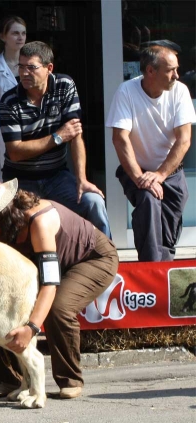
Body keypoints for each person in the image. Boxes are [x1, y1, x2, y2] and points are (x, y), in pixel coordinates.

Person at [0, 175, 118, 400]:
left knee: (59, 307)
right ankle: (5, 379)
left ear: (1, 212)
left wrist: (31, 328)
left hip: (92, 259)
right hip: (56, 261)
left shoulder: (39, 223)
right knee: (0, 302)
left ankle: (69, 378)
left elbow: (50, 283)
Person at [0, 41, 111, 239]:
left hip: (57, 176)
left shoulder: (64, 86)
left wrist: (82, 179)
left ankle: (107, 260)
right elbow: (15, 152)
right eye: (21, 66)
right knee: (19, 227)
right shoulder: (9, 101)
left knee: (93, 202)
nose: (24, 73)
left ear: (49, 68)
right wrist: (57, 137)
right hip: (20, 179)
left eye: (31, 67)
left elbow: (75, 134)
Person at [106, 45, 195, 262]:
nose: (177, 75)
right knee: (148, 203)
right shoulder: (126, 91)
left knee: (168, 231)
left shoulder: (180, 91)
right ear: (150, 71)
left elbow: (184, 139)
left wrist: (161, 175)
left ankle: (163, 269)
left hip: (171, 173)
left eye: (177, 69)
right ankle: (151, 270)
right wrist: (142, 179)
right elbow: (120, 138)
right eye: (170, 70)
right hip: (138, 171)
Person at [0, 16, 26, 179]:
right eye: (15, 33)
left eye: (23, 33)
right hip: (4, 131)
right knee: (5, 181)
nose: (20, 37)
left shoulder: (32, 65)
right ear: (3, 37)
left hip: (31, 127)